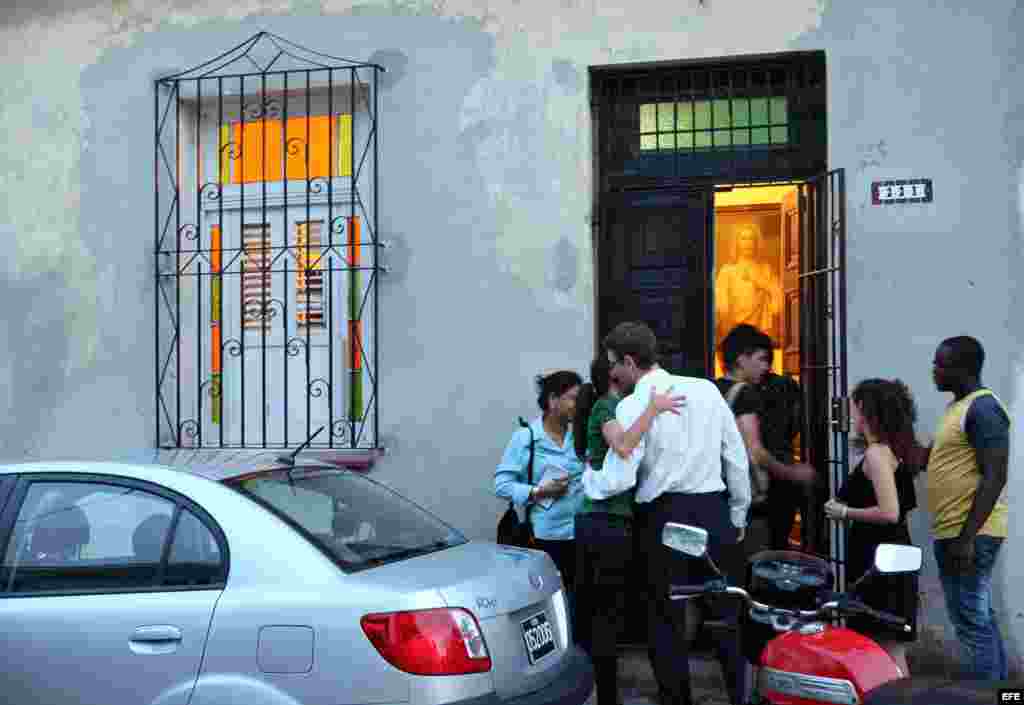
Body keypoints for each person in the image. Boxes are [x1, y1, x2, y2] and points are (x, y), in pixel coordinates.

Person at [582, 321, 751, 705]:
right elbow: (736, 457)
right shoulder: (706, 390)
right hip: (713, 511)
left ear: (629, 361)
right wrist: (738, 515)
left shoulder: (631, 405)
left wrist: (589, 479)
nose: (612, 373)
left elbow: (619, 478)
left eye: (614, 365)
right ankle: (739, 698)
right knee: (726, 615)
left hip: (663, 518)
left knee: (665, 620)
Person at [572, 355, 685, 705]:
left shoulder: (614, 405)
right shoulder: (608, 406)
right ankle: (605, 696)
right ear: (615, 375)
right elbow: (622, 445)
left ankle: (604, 693)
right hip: (604, 523)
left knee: (604, 615)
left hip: (606, 523)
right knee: (604, 617)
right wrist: (653, 410)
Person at [921, 336, 1010, 680]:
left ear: (963, 369)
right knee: (979, 619)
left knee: (971, 623)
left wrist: (967, 537)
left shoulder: (984, 408)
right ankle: (1005, 696)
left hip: (970, 533)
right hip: (954, 530)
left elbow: (995, 476)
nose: (934, 370)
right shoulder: (955, 409)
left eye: (940, 364)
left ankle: (988, 696)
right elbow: (922, 459)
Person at [823, 379, 920, 676]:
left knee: (880, 644)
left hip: (877, 556)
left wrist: (844, 511)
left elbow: (889, 512)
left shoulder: (878, 454)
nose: (850, 414)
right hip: (891, 552)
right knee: (889, 645)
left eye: (854, 406)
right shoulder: (894, 450)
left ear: (866, 410)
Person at [715, 324, 817, 557]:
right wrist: (793, 473)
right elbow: (755, 452)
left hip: (718, 496)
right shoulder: (745, 393)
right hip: (748, 501)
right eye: (761, 359)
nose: (766, 366)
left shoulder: (711, 388)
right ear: (742, 359)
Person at [495, 370, 584, 594]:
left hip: (580, 535)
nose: (577, 404)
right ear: (553, 400)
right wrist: (539, 491)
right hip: (546, 539)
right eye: (573, 398)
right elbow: (501, 485)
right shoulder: (526, 437)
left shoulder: (579, 437)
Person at [714, 223, 783, 344]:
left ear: (756, 242)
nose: (747, 243)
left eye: (751, 238)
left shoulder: (766, 269)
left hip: (761, 332)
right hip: (735, 330)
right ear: (737, 243)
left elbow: (778, 303)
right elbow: (721, 306)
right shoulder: (727, 270)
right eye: (743, 238)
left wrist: (760, 282)